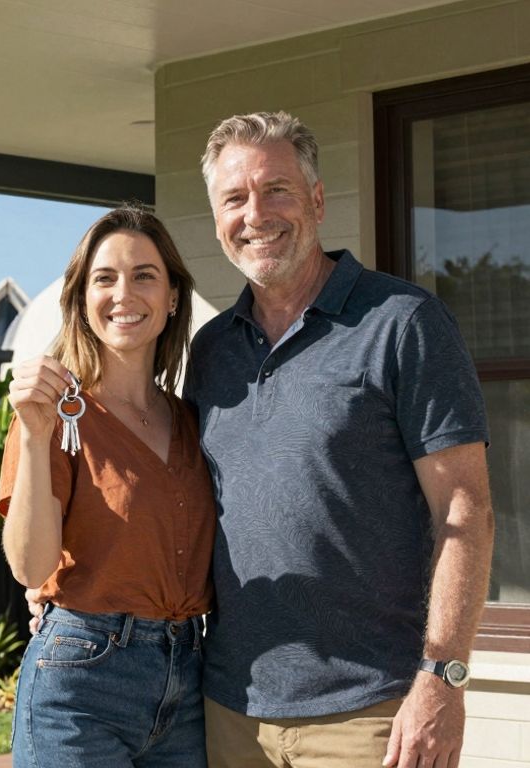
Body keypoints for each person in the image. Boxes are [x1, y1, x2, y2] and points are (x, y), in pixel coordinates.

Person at [183, 111, 494, 768]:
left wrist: (443, 680)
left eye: (277, 190)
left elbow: (464, 511)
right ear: (216, 218)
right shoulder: (211, 352)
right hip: (230, 710)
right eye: (234, 198)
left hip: (375, 713)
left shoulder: (403, 323)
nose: (255, 214)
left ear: (318, 200)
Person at [0, 204, 217, 767]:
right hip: (81, 683)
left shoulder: (195, 421)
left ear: (172, 298)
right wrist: (32, 435)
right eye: (105, 278)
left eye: (145, 275)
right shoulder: (55, 415)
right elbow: (30, 566)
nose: (124, 293)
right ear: (81, 299)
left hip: (189, 680)